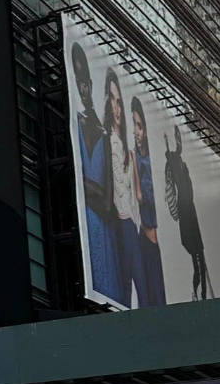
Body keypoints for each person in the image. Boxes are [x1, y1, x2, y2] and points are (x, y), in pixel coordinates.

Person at [71, 42, 120, 302]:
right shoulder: (74, 125)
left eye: (85, 82)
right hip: (84, 234)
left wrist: (82, 182)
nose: (83, 89)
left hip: (103, 236)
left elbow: (108, 205)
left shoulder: (104, 135)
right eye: (78, 81)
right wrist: (94, 189)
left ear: (90, 83)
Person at [102, 68, 143, 306]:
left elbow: (137, 195)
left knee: (139, 287)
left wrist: (135, 162)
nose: (116, 108)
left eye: (119, 102)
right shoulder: (107, 141)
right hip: (118, 224)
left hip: (131, 225)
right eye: (112, 100)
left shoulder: (127, 150)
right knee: (125, 291)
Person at [164, 125, 209, 300]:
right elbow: (170, 193)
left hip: (190, 214)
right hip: (186, 217)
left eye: (179, 138)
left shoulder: (181, 164)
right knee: (197, 260)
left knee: (199, 260)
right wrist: (176, 212)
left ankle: (201, 294)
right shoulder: (173, 164)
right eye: (176, 139)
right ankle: (198, 295)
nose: (179, 142)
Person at [131, 97, 166, 306]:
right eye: (134, 125)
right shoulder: (138, 157)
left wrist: (135, 165)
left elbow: (141, 196)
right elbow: (139, 197)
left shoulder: (150, 161)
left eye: (140, 126)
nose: (136, 132)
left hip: (152, 243)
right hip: (143, 237)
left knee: (156, 299)